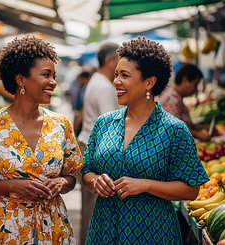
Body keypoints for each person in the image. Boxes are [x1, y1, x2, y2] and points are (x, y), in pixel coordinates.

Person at [81, 37, 209, 244]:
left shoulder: (174, 130)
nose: (116, 82)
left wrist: (146, 185)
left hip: (152, 231)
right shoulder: (104, 123)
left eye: (124, 75)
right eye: (116, 75)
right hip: (104, 229)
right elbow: (86, 171)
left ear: (149, 82)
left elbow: (191, 189)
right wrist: (95, 181)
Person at [0, 36, 83, 244]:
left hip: (53, 228)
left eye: (54, 76)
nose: (53, 82)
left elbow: (71, 177)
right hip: (7, 229)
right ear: (20, 79)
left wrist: (61, 183)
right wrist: (13, 186)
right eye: (46, 75)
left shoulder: (61, 124)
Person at [77, 42, 121, 244]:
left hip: (90, 144)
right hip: (97, 149)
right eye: (119, 61)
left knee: (91, 205)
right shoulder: (103, 86)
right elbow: (110, 123)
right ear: (108, 61)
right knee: (94, 207)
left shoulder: (97, 80)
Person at [159, 64, 213, 141]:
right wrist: (197, 134)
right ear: (185, 80)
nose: (195, 89)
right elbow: (175, 128)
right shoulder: (171, 99)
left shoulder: (177, 97)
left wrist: (204, 127)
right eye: (195, 84)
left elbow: (187, 125)